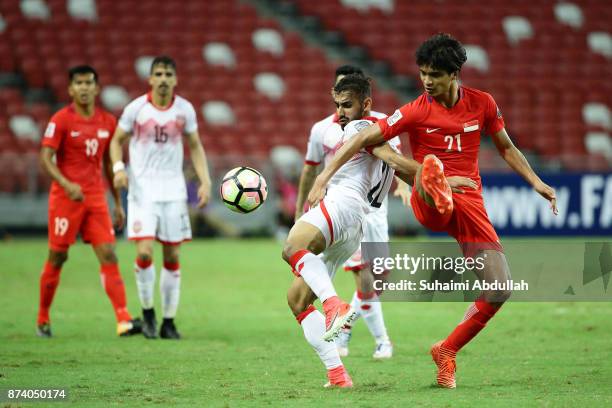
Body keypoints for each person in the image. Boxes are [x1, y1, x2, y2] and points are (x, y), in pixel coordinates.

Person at [307, 33, 558, 389]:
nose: (426, 80)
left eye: (434, 74)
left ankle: (446, 350)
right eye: (422, 72)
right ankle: (433, 179)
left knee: (499, 287)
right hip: (430, 198)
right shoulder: (415, 109)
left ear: (454, 74)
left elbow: (506, 146)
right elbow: (363, 138)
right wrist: (324, 177)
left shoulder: (483, 104)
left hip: (469, 201)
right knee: (432, 179)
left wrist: (536, 181)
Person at [282, 74, 474, 388]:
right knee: (297, 301)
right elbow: (397, 162)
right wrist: (437, 181)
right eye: (338, 106)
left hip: (343, 204)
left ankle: (334, 305)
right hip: (355, 226)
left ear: (366, 104)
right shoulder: (373, 132)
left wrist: (437, 178)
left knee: (291, 247)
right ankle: (337, 374)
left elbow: (391, 158)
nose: (341, 112)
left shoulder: (361, 127)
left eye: (347, 105)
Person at [294, 65, 411, 359]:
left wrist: (406, 184)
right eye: (337, 98)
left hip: (376, 210)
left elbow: (392, 158)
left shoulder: (381, 122)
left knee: (379, 280)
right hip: (345, 206)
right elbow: (310, 170)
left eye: (347, 99)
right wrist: (302, 208)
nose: (340, 106)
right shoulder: (322, 129)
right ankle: (381, 340)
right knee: (363, 278)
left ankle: (343, 326)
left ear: (362, 100)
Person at [110, 56, 212, 340]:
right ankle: (148, 314)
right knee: (144, 252)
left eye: (169, 73)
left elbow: (195, 146)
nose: (164, 78)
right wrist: (119, 169)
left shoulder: (184, 110)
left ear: (175, 79)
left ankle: (168, 321)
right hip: (142, 191)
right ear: (150, 79)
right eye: (159, 74)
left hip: (174, 191)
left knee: (172, 255)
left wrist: (204, 181)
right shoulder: (136, 109)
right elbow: (116, 142)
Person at [37, 65, 142, 338]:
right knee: (58, 256)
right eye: (79, 83)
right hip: (65, 198)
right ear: (71, 89)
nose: (84, 88)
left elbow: (109, 165)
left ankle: (123, 319)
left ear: (97, 88)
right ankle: (43, 318)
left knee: (108, 254)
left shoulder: (107, 122)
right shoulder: (61, 120)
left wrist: (117, 203)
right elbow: (45, 158)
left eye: (89, 83)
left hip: (95, 198)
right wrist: (66, 183)